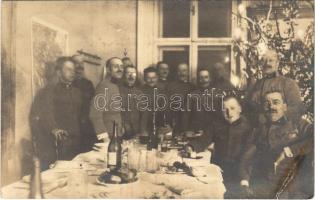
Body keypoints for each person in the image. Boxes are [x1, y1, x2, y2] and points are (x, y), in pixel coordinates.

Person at [240, 91, 313, 198]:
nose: (271, 107)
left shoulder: (298, 124)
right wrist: (244, 183)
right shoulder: (259, 131)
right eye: (266, 103)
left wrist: (290, 150)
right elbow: (246, 158)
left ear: (285, 106)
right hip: (267, 187)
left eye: (276, 102)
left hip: (298, 189)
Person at [186, 95, 253, 198]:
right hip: (218, 170)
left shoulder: (248, 128)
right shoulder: (217, 125)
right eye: (224, 109)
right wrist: (192, 146)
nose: (229, 113)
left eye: (232, 108)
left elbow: (247, 157)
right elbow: (204, 139)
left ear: (240, 109)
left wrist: (244, 179)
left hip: (239, 172)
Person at [30, 57, 83, 169]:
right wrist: (54, 128)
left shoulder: (77, 92)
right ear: (59, 72)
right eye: (68, 69)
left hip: (76, 142)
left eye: (73, 70)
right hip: (58, 144)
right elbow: (46, 113)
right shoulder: (48, 91)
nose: (72, 72)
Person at [246, 49, 304, 124]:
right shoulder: (256, 85)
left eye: (271, 60)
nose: (267, 63)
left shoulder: (288, 83)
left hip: (281, 129)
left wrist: (277, 119)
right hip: (259, 129)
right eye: (264, 61)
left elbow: (297, 108)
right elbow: (248, 107)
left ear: (277, 63)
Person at [90, 57, 124, 141]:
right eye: (116, 67)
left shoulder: (115, 85)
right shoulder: (104, 86)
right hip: (108, 137)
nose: (120, 69)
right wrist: (104, 137)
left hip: (116, 135)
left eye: (121, 66)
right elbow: (94, 115)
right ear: (108, 70)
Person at [72, 54, 96, 152]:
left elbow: (94, 105)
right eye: (76, 63)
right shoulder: (68, 84)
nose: (79, 66)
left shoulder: (88, 84)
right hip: (73, 128)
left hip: (87, 128)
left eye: (81, 63)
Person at [166, 63, 195, 135]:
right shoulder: (170, 86)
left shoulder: (193, 87)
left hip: (189, 124)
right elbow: (166, 106)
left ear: (188, 72)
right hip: (174, 123)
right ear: (177, 72)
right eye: (180, 71)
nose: (182, 73)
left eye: (184, 70)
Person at [184, 69, 214, 138]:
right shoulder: (191, 95)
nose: (204, 80)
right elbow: (185, 115)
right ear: (198, 79)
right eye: (201, 77)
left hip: (212, 132)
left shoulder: (216, 94)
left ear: (210, 79)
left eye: (206, 77)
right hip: (195, 132)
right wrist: (186, 130)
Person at [139, 67, 166, 141]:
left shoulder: (161, 91)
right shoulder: (139, 91)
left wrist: (161, 129)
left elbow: (163, 110)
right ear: (144, 78)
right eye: (148, 78)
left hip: (158, 126)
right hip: (143, 127)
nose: (151, 80)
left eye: (153, 77)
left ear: (157, 78)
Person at [119, 65, 143, 140]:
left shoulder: (139, 92)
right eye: (128, 73)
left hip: (136, 132)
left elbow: (143, 113)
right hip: (121, 131)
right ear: (123, 75)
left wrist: (141, 130)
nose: (131, 76)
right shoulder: (117, 90)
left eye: (133, 73)